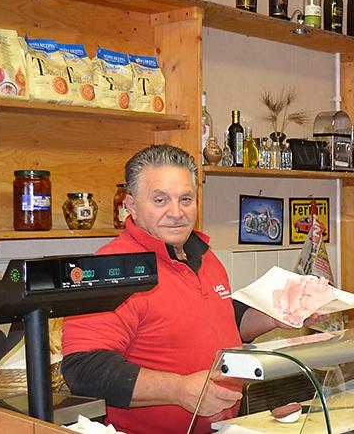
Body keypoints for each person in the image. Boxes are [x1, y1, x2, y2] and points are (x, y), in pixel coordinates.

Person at [62, 145, 311, 434]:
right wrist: (179, 390)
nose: (176, 213)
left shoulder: (204, 256)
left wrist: (275, 315)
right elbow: (84, 368)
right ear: (130, 205)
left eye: (186, 199)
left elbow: (221, 321)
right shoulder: (108, 269)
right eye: (160, 200)